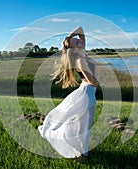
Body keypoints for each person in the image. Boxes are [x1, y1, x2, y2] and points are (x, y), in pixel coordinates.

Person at [38, 26, 99, 158]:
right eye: (76, 42)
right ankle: (82, 153)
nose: (79, 41)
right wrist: (98, 81)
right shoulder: (80, 60)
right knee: (84, 126)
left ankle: (80, 151)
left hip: (85, 92)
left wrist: (68, 39)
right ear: (74, 49)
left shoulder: (82, 52)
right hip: (87, 94)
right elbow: (92, 81)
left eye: (77, 40)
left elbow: (81, 30)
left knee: (80, 125)